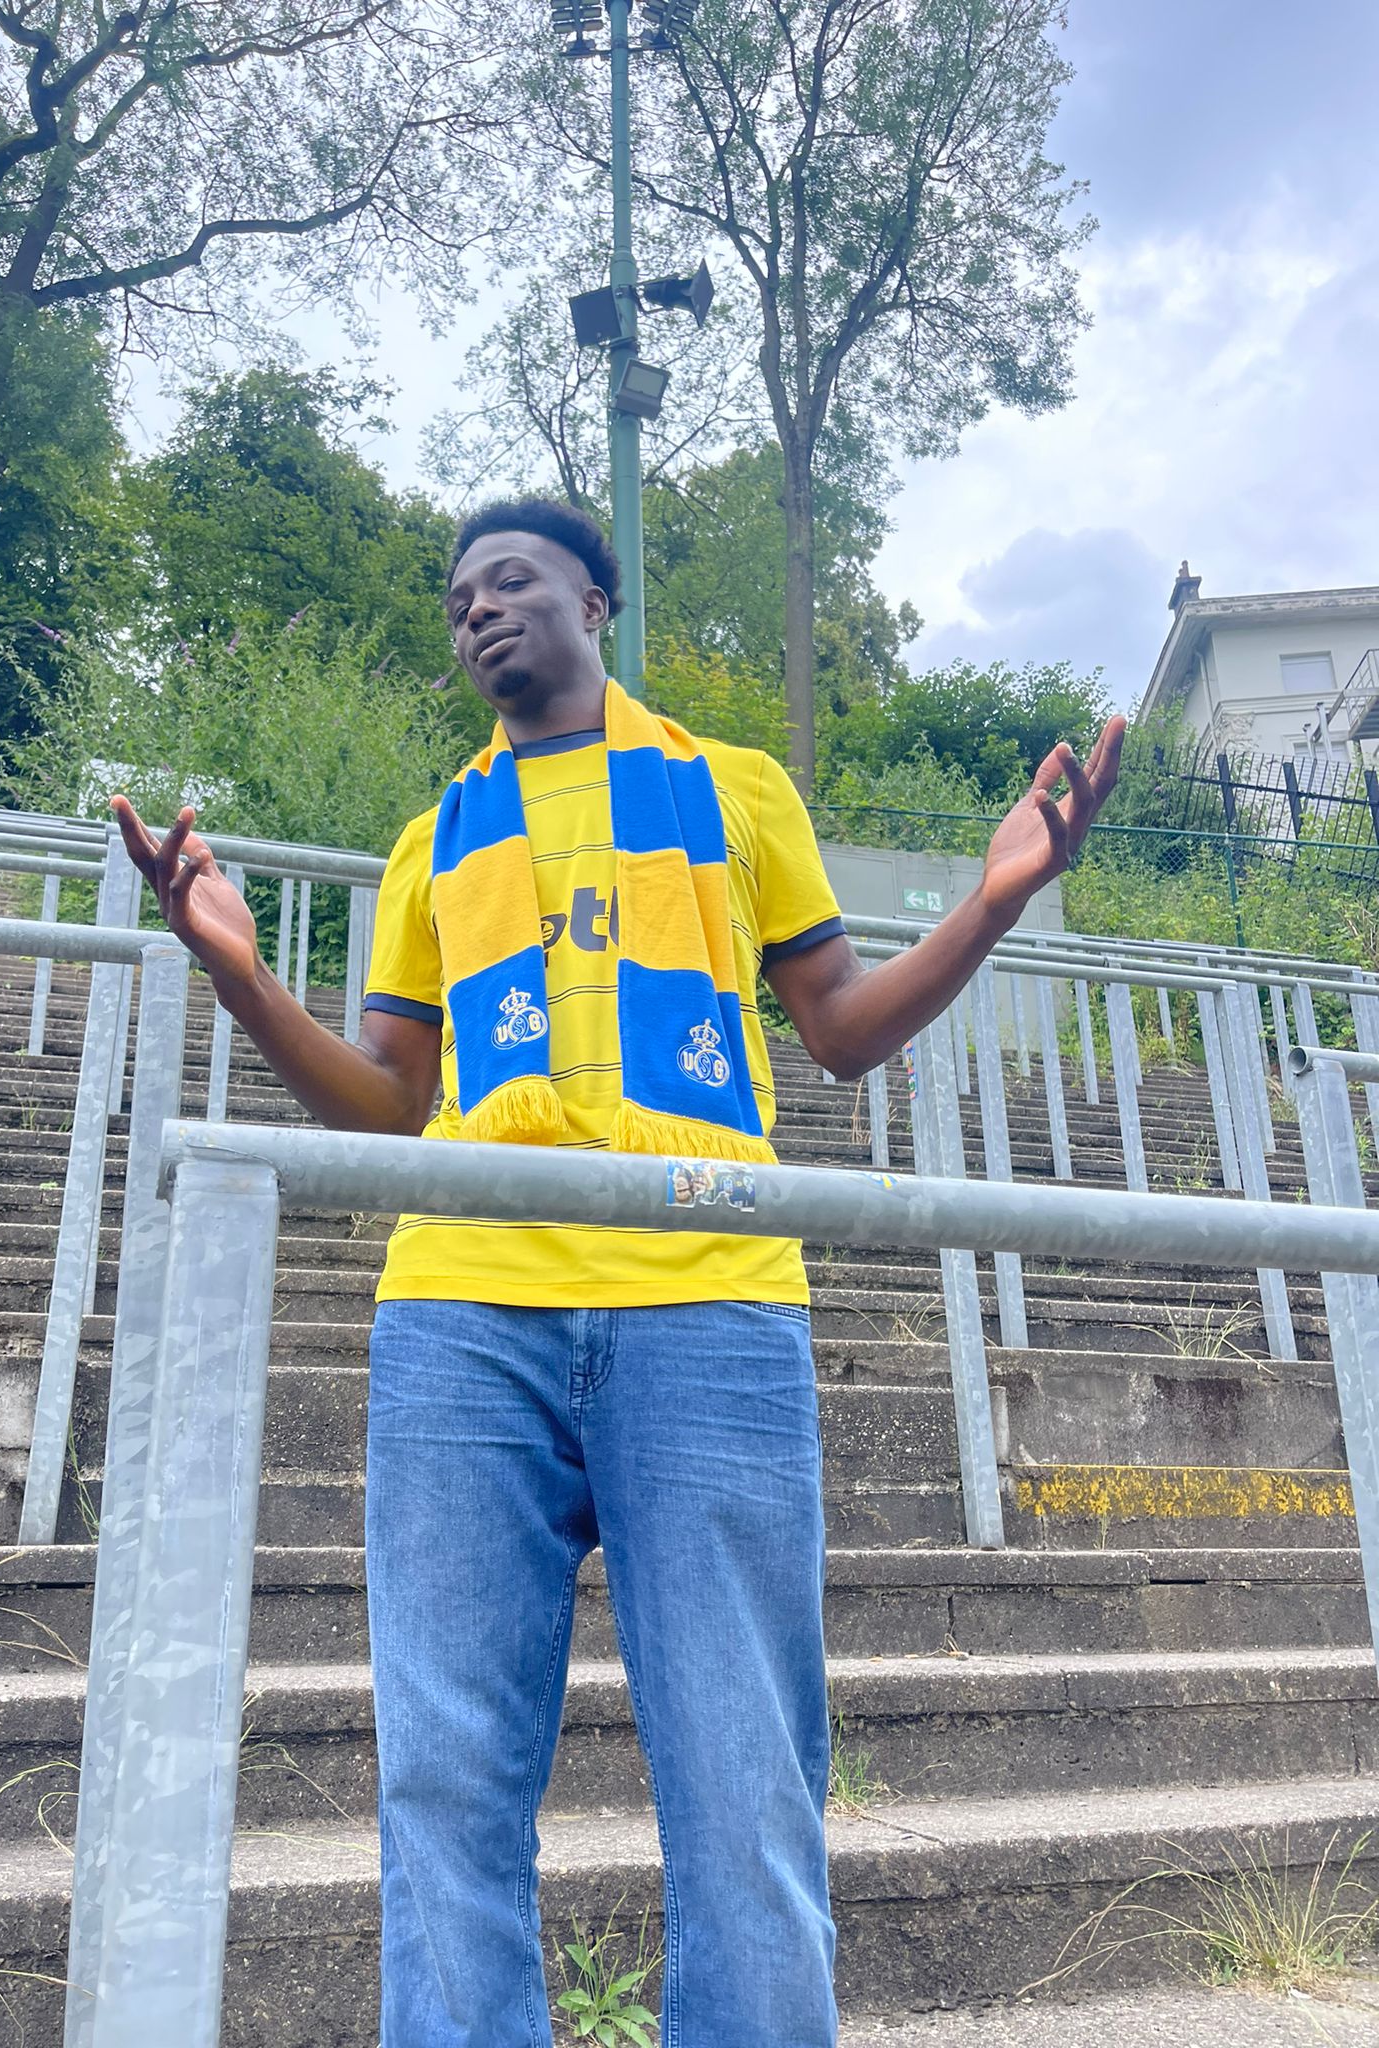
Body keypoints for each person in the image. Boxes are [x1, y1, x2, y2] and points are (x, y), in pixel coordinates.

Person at [112, 497, 1124, 2047]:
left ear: (598, 600)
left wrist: (995, 902)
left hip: (707, 1299)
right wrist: (241, 976)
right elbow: (386, 1107)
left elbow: (841, 1030)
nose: (479, 609)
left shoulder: (738, 790)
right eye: (459, 598)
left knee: (744, 1769)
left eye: (512, 580)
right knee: (444, 1773)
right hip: (463, 1311)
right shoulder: (432, 839)